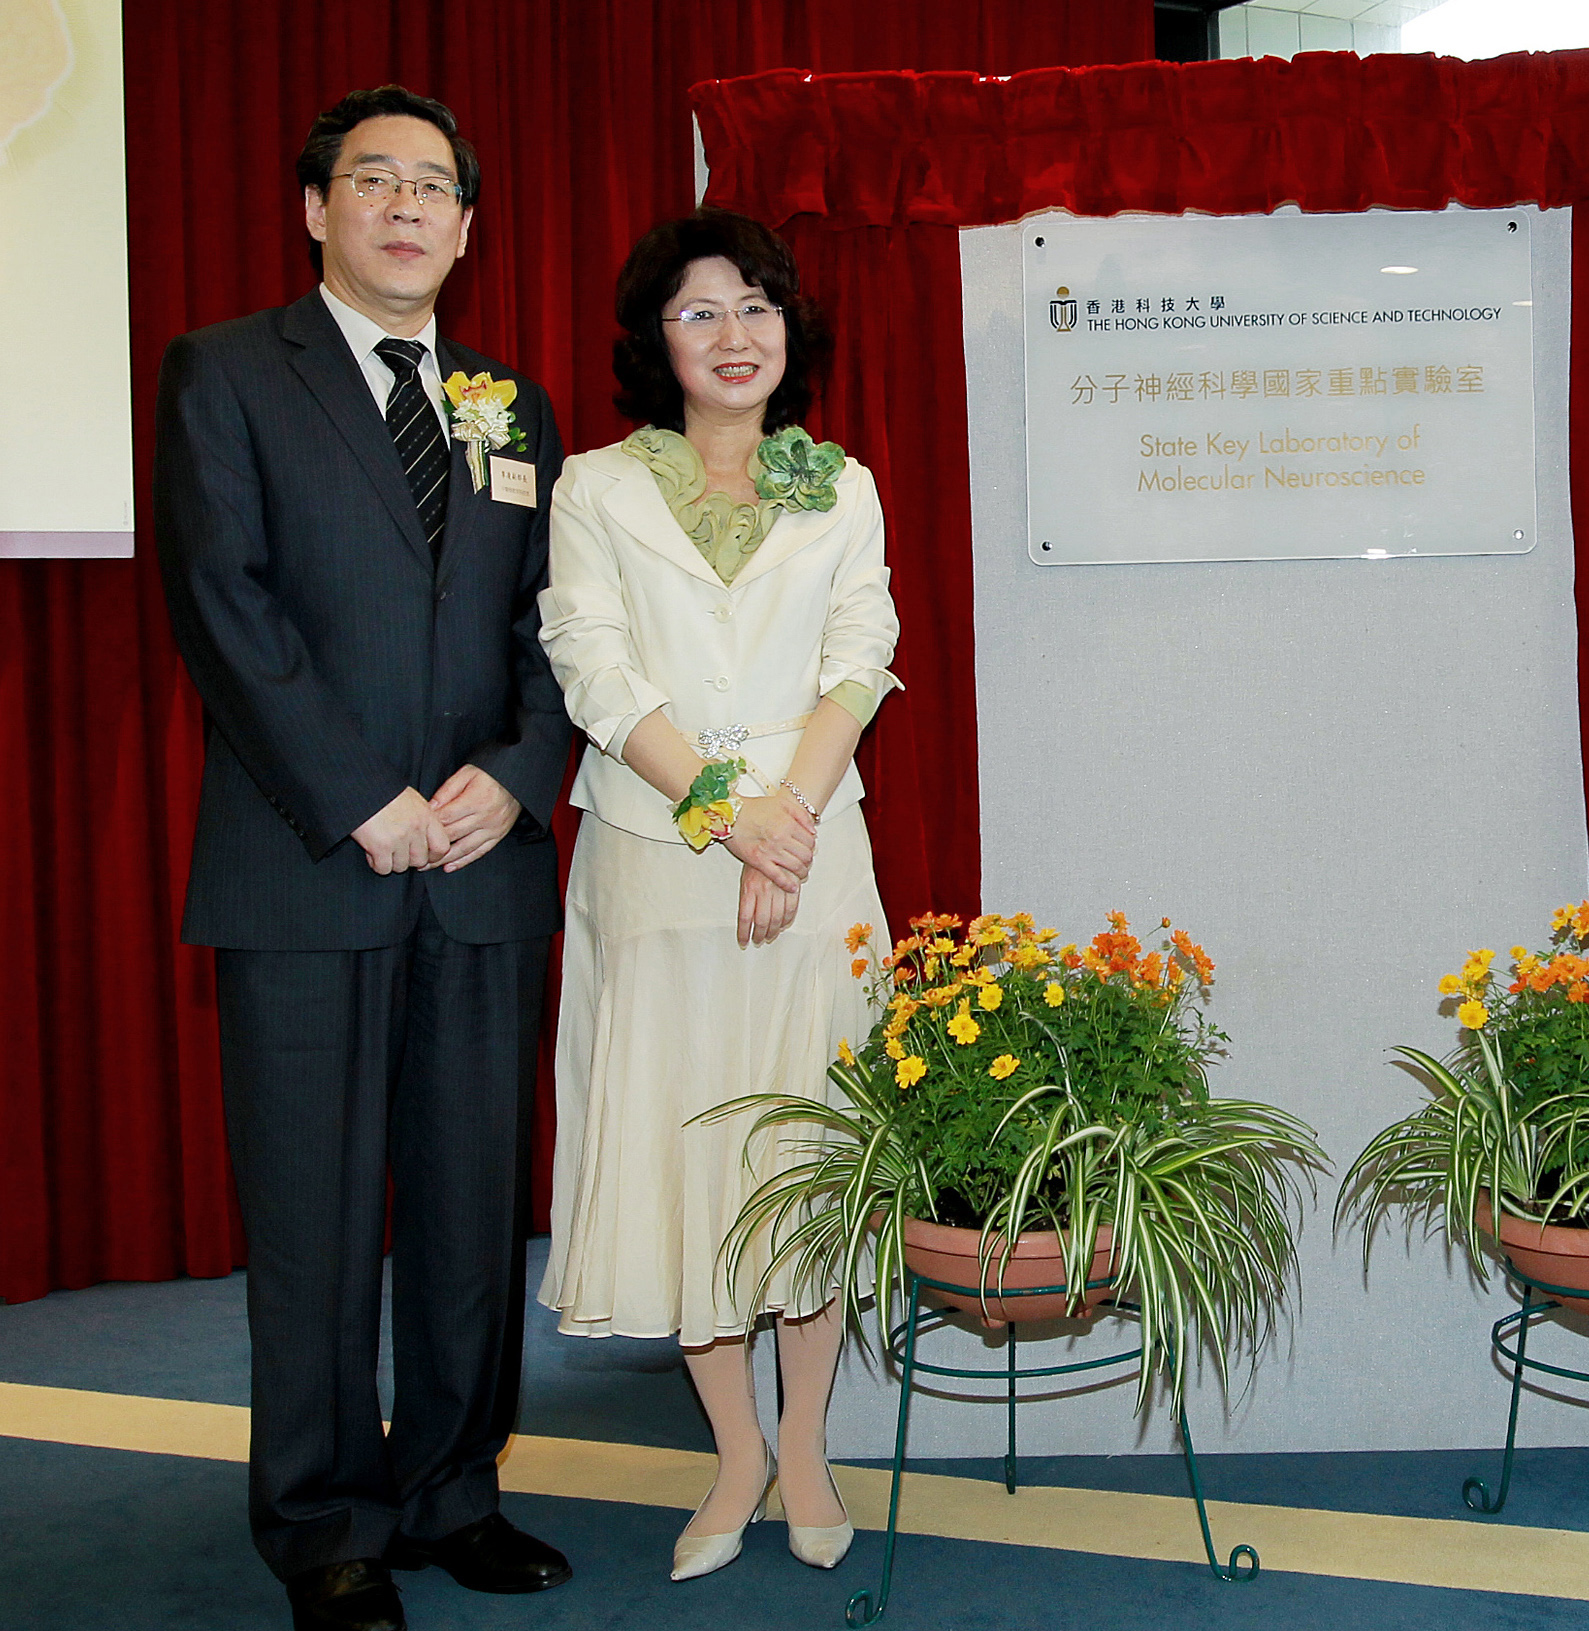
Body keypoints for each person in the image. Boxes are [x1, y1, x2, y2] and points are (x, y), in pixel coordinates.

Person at [154, 86, 573, 1631]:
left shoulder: (511, 407)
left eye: (436, 187)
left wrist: (516, 780)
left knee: (472, 1204)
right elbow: (224, 604)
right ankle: (324, 1520)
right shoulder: (224, 373)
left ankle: (455, 1487)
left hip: (480, 867)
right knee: (317, 1214)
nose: (407, 207)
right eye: (374, 180)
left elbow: (551, 627)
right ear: (315, 209)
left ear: (467, 228)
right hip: (306, 863)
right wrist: (359, 796)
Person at [536, 209, 898, 1581]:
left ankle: (805, 1440)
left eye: (755, 306)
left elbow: (863, 645)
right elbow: (597, 670)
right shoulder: (595, 488)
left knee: (805, 1153)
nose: (734, 335)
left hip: (812, 858)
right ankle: (733, 1450)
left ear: (789, 328)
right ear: (654, 341)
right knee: (689, 1153)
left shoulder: (840, 483)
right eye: (700, 313)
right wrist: (727, 818)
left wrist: (786, 818)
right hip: (661, 858)